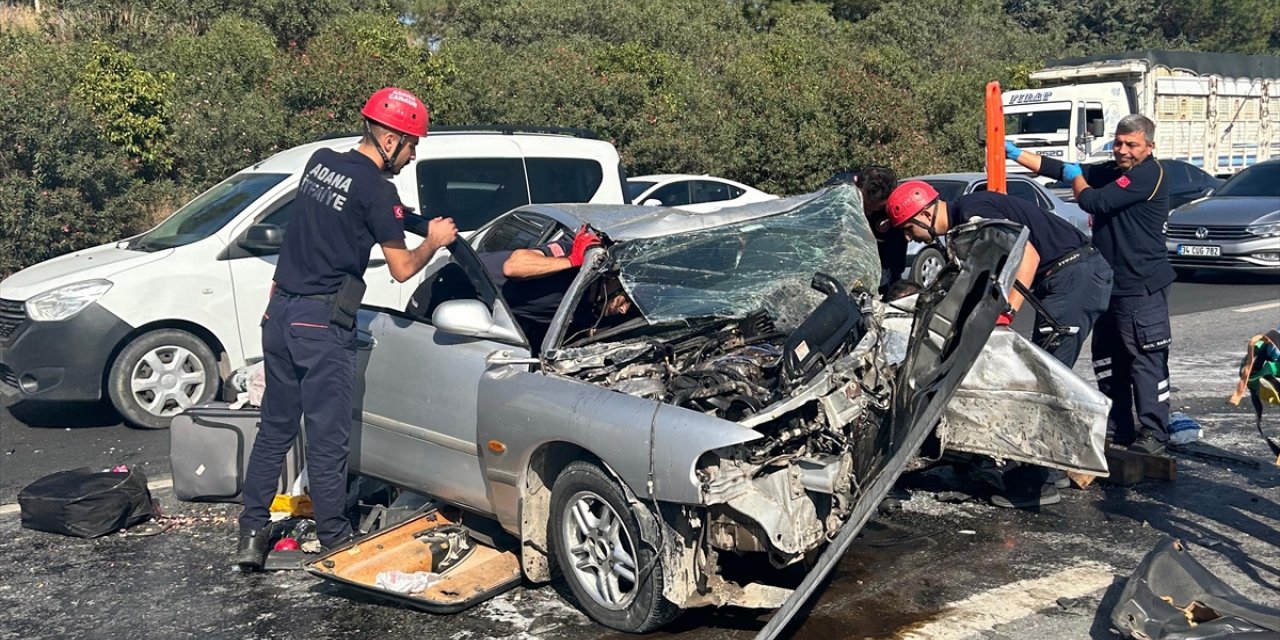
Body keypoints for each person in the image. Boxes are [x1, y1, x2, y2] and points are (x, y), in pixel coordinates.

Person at [235, 87, 458, 571]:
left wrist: (407, 221)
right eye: (413, 143)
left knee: (274, 430)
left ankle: (251, 536)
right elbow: (401, 268)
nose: (414, 153)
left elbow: (330, 220)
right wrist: (436, 242)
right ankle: (337, 538)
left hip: (279, 315)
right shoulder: (379, 191)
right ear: (391, 137)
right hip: (321, 325)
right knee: (327, 438)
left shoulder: (321, 163)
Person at [883, 181, 1114, 507]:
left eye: (908, 229)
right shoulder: (964, 224)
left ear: (924, 215)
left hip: (1075, 277)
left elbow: (1028, 257)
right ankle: (1055, 470)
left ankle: (1035, 486)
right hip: (1067, 278)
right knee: (1044, 372)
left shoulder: (976, 214)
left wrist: (1005, 315)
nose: (908, 238)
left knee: (1041, 381)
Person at [1007, 114, 1173, 455]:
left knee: (1144, 356)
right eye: (1118, 142)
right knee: (1109, 358)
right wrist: (1013, 153)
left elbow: (1094, 201)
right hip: (1108, 281)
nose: (1122, 150)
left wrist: (1077, 179)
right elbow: (1064, 167)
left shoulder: (1148, 175)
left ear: (1149, 147)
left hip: (1140, 283)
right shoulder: (1116, 171)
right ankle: (1119, 426)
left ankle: (1155, 431)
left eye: (1131, 145)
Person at [477, 226, 630, 350]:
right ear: (613, 279)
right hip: (467, 276)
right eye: (626, 299)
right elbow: (513, 267)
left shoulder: (586, 311)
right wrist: (572, 261)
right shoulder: (570, 254)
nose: (623, 310)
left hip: (481, 313)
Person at [829, 167, 904, 293]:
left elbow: (894, 257)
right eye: (865, 204)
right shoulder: (837, 192)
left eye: (875, 208)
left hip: (881, 262)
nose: (868, 212)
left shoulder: (894, 207)